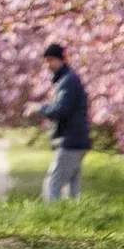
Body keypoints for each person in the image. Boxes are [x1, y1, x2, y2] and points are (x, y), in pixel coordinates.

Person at [28, 41, 90, 201]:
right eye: (46, 60)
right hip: (78, 140)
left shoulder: (68, 82)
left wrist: (39, 108)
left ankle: (53, 219)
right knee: (72, 189)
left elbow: (61, 110)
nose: (48, 64)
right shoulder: (68, 80)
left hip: (70, 140)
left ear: (62, 60)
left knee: (52, 185)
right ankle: (74, 219)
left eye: (51, 60)